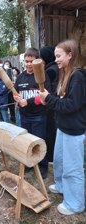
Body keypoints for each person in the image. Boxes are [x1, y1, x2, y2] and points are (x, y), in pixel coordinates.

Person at [39, 39, 86, 215]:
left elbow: (71, 105)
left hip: (74, 130)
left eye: (59, 56)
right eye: (56, 56)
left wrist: (49, 99)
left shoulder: (78, 76)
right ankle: (61, 186)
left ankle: (75, 204)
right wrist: (48, 97)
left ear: (70, 55)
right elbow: (60, 99)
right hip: (63, 127)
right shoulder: (64, 74)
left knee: (73, 168)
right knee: (59, 161)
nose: (56, 59)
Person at [13, 48, 51, 179]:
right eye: (26, 61)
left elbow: (45, 96)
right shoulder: (20, 77)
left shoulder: (42, 76)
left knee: (40, 142)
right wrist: (17, 99)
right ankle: (29, 164)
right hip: (24, 116)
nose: (28, 64)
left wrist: (27, 102)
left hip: (39, 116)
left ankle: (43, 166)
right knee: (27, 142)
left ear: (37, 61)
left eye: (31, 61)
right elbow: (16, 93)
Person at [40, 45, 59, 162]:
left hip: (50, 104)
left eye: (41, 56)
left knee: (50, 131)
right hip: (55, 103)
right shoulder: (55, 67)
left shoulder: (50, 70)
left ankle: (50, 156)